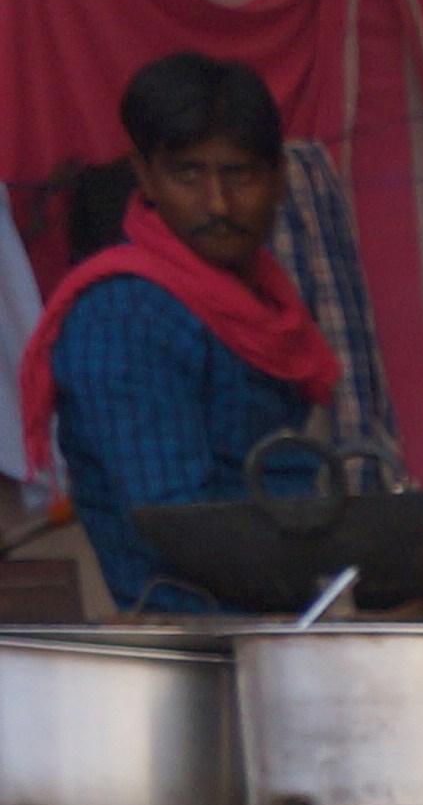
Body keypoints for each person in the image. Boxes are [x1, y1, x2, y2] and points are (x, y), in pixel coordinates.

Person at [16, 55, 338, 615]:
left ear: (278, 177)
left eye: (240, 174)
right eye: (188, 174)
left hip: (283, 628)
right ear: (145, 177)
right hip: (200, 652)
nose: (218, 204)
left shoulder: (263, 300)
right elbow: (181, 528)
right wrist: (356, 563)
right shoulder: (128, 313)